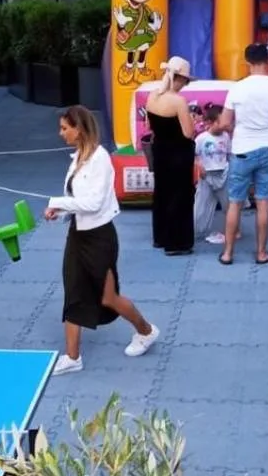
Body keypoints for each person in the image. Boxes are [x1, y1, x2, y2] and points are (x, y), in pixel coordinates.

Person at [44, 105, 158, 375]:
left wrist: (57, 202)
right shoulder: (76, 159)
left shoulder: (101, 159)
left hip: (100, 238)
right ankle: (73, 357)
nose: (61, 133)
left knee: (108, 298)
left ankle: (146, 331)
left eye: (65, 128)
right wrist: (59, 212)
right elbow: (75, 201)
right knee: (73, 292)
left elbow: (94, 203)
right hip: (77, 236)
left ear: (79, 129)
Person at [215, 43, 268, 267]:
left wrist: (237, 130)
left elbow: (225, 123)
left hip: (241, 150)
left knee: (235, 203)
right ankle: (261, 253)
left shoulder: (237, 89)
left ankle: (227, 253)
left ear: (247, 62)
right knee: (263, 203)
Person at [144, 55, 196, 255]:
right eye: (186, 81)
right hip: (178, 153)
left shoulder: (152, 96)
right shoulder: (179, 101)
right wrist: (192, 120)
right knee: (180, 196)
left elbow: (149, 126)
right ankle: (177, 243)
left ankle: (160, 237)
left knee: (161, 193)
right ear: (180, 79)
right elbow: (188, 133)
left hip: (160, 150)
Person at [193, 102, 230, 245]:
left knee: (229, 205)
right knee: (200, 206)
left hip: (223, 174)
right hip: (206, 175)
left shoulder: (226, 136)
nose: (224, 125)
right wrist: (199, 165)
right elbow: (194, 154)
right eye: (221, 122)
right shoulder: (201, 138)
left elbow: (229, 154)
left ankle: (231, 231)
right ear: (210, 122)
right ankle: (195, 230)